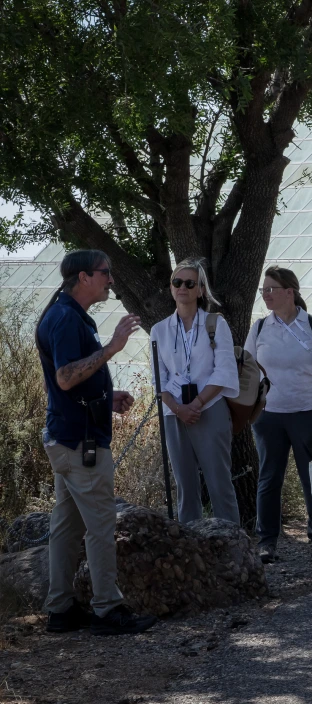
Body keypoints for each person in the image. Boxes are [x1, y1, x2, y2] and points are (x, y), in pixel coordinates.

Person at [36, 250, 157, 636]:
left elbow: (72, 380)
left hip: (68, 437)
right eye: (106, 273)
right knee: (101, 526)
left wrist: (107, 393)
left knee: (66, 528)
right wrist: (113, 348)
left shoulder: (64, 314)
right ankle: (108, 609)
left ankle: (61, 609)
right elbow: (67, 377)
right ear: (84, 276)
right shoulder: (67, 318)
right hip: (79, 443)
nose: (111, 280)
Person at [244, 266, 312, 563]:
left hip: (309, 411)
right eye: (263, 290)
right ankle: (267, 541)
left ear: (289, 292)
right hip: (269, 415)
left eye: (271, 289)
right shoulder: (259, 328)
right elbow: (248, 370)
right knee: (269, 477)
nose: (266, 294)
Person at [150, 258, 241, 524]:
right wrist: (179, 409)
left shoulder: (215, 324)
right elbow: (160, 379)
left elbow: (224, 371)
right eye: (177, 282)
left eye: (190, 284)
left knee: (219, 484)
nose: (183, 288)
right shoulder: (159, 330)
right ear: (170, 287)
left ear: (200, 290)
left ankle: (232, 549)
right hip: (174, 413)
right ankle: (189, 551)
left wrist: (197, 404)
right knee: (185, 488)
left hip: (210, 409)